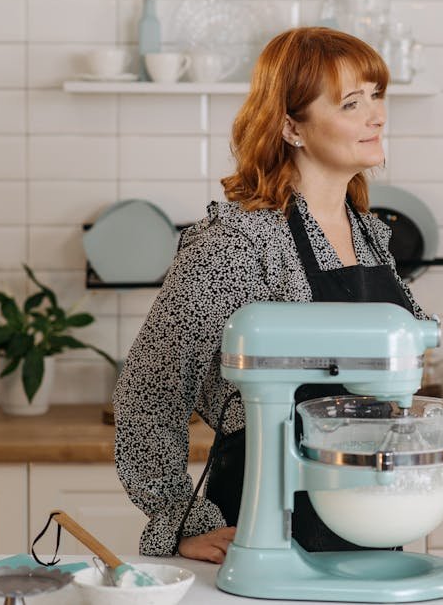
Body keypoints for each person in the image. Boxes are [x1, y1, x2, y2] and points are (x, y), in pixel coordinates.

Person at [114, 27, 426, 563]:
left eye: (377, 96)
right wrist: (178, 519)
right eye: (353, 103)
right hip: (264, 524)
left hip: (368, 513)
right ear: (291, 127)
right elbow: (149, 392)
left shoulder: (369, 234)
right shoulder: (237, 241)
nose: (376, 115)